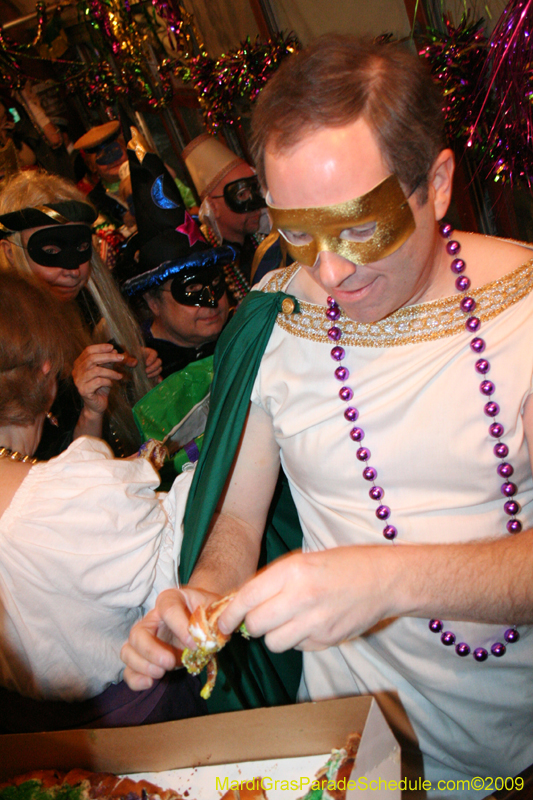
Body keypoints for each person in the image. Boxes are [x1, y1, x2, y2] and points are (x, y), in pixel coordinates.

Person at [121, 36, 533, 796]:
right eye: (299, 233)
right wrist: (202, 601)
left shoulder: (524, 318)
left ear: (437, 183)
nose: (332, 271)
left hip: (509, 754)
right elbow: (237, 520)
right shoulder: (280, 315)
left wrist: (386, 580)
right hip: (345, 749)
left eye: (359, 227)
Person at [0, 272, 204, 732]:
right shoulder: (68, 496)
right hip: (131, 722)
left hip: (21, 736)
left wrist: (95, 423)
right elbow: (177, 566)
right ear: (47, 375)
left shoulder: (58, 489)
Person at [0, 169, 161, 458]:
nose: (73, 270)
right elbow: (32, 465)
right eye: (50, 251)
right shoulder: (10, 347)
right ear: (10, 252)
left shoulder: (85, 307)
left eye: (81, 248)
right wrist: (87, 408)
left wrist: (122, 373)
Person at [119, 127, 236, 380]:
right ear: (153, 303)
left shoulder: (241, 335)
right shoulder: (136, 368)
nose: (212, 301)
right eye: (192, 290)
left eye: (216, 283)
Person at [182, 133, 269, 288]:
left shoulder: (271, 244)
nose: (256, 204)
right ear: (213, 207)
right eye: (241, 195)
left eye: (255, 190)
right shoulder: (204, 263)